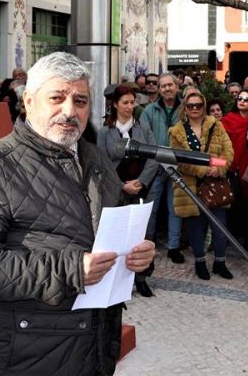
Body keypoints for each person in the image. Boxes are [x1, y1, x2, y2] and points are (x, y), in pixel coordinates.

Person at [0, 52, 155, 375]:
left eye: (80, 101)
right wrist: (72, 270)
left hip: (95, 352)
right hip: (26, 357)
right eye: (57, 98)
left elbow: (111, 233)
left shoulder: (97, 159)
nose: (69, 111)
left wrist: (138, 256)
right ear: (28, 101)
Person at [96, 83, 160, 297]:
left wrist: (141, 182)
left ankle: (141, 278)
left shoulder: (143, 128)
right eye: (125, 103)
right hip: (118, 188)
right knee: (118, 232)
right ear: (115, 104)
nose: (130, 106)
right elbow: (103, 163)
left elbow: (153, 156)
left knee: (143, 232)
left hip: (142, 187)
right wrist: (122, 185)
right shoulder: (105, 132)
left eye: (132, 102)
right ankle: (117, 276)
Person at [169, 90, 235, 280]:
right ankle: (200, 262)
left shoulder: (216, 125)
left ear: (204, 106)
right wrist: (204, 170)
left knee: (220, 227)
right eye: (191, 105)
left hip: (215, 185)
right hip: (190, 186)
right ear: (185, 108)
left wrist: (218, 169)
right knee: (196, 228)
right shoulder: (176, 132)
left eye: (198, 105)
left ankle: (220, 262)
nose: (195, 108)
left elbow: (228, 151)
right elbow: (179, 160)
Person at [140, 73, 184, 264]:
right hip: (155, 164)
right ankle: (148, 244)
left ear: (177, 86)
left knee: (175, 208)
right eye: (163, 86)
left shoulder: (185, 108)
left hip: (177, 164)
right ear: (159, 89)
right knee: (151, 207)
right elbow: (143, 136)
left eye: (170, 85)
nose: (167, 89)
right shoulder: (149, 110)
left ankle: (174, 247)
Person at [221, 88, 248, 246]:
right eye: (240, 98)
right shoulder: (227, 119)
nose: (242, 101)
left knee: (247, 205)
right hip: (231, 168)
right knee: (232, 205)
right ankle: (230, 238)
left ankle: (246, 240)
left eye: (246, 99)